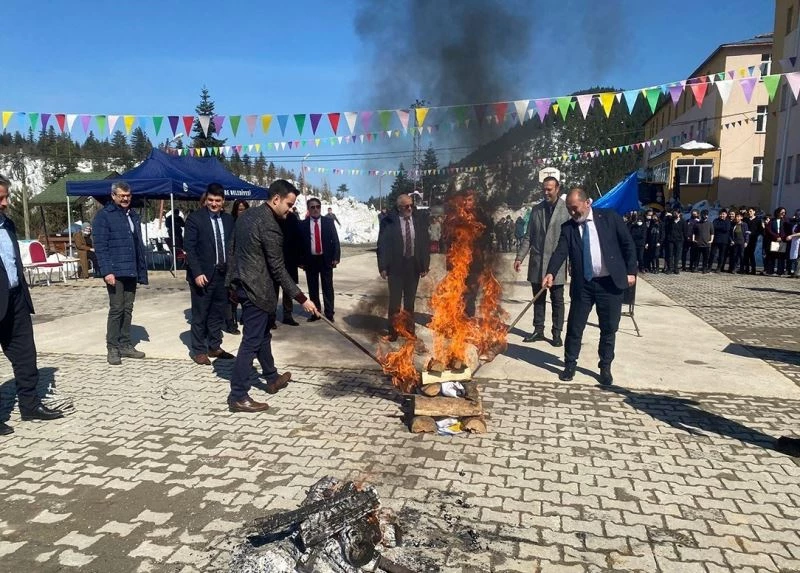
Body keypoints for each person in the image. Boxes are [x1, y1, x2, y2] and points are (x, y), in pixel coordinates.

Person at [225, 180, 317, 413]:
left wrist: (232, 283)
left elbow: (232, 249)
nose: (290, 209)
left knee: (262, 335)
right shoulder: (270, 226)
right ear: (276, 199)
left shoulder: (247, 216)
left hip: (245, 286)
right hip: (257, 291)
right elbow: (278, 268)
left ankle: (272, 377)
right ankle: (238, 395)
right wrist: (302, 298)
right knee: (251, 342)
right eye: (289, 203)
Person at [542, 187, 636, 386]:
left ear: (587, 203)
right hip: (583, 285)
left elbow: (628, 244)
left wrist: (631, 272)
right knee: (575, 326)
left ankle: (605, 367)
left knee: (609, 328)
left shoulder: (610, 218)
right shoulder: (568, 228)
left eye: (575, 208)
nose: (573, 213)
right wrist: (550, 272)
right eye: (569, 209)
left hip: (609, 284)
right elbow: (560, 252)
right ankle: (569, 364)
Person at [0, 175, 65, 436]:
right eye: (0, 198)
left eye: (5, 197)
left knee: (26, 355)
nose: (5, 203)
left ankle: (30, 405)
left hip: (15, 300)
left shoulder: (8, 225)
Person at [92, 181, 148, 365]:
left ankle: (125, 344)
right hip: (115, 271)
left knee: (128, 308)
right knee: (116, 309)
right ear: (113, 196)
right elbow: (100, 246)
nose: (125, 199)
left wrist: (140, 268)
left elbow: (136, 243)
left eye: (128, 195)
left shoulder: (132, 215)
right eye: (122, 195)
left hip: (130, 269)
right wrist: (107, 271)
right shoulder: (104, 216)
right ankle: (112, 347)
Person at [514, 176, 570, 346]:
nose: (546, 192)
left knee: (557, 300)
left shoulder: (566, 210)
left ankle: (557, 332)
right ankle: (538, 330)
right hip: (537, 263)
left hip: (557, 263)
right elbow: (528, 236)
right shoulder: (537, 210)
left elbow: (572, 238)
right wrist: (519, 257)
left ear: (557, 189)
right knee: (538, 299)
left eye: (549, 189)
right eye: (544, 189)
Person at [184, 183, 235, 365]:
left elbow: (232, 247)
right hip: (203, 276)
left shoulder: (229, 220)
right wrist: (197, 272)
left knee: (217, 314)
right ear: (206, 200)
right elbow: (189, 248)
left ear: (223, 202)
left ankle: (214, 346)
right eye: (211, 200)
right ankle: (198, 350)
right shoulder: (195, 219)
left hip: (222, 274)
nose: (214, 204)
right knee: (200, 314)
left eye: (218, 201)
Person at [377, 193, 430, 340]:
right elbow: (382, 245)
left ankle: (409, 329)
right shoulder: (389, 222)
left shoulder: (418, 220)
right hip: (395, 268)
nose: (410, 208)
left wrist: (425, 264)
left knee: (410, 301)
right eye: (407, 206)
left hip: (413, 266)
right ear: (399, 208)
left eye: (411, 205)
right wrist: (382, 266)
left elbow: (424, 243)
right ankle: (393, 331)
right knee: (394, 301)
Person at [301, 197, 341, 322]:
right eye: (312, 207)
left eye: (317, 206)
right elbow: (300, 244)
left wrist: (336, 257)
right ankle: (316, 313)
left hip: (326, 259)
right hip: (310, 260)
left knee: (328, 287)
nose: (315, 209)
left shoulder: (328, 222)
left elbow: (335, 240)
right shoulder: (303, 224)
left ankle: (329, 314)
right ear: (308, 209)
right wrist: (300, 261)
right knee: (313, 288)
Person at [224, 200, 250, 334]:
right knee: (232, 296)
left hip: (247, 266)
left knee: (246, 294)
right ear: (235, 211)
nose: (242, 212)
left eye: (245, 209)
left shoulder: (251, 224)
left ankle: (245, 318)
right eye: (240, 209)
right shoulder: (231, 224)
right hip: (233, 265)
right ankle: (230, 322)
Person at [278, 205, 304, 326]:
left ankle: (287, 315)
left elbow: (299, 239)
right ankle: (270, 317)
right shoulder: (274, 216)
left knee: (288, 289)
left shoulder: (292, 218)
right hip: (274, 258)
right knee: (272, 290)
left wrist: (299, 259)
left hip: (290, 260)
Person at [764, 207, 788, 276]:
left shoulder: (786, 221)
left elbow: (787, 230)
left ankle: (780, 272)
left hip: (782, 240)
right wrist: (776, 237)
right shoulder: (772, 221)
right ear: (778, 212)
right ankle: (770, 271)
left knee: (781, 256)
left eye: (784, 212)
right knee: (772, 256)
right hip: (774, 240)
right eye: (782, 212)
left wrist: (782, 238)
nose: (783, 214)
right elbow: (769, 230)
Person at [663, 208, 685, 274]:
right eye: (674, 213)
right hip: (670, 240)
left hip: (679, 240)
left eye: (676, 213)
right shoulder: (670, 220)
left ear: (679, 214)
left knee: (677, 255)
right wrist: (666, 216)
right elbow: (664, 225)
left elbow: (684, 231)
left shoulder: (682, 221)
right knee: (670, 254)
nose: (674, 214)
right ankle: (669, 268)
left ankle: (676, 268)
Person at [743, 207, 762, 274]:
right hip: (746, 239)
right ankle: (747, 269)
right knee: (746, 254)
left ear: (754, 212)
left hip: (753, 239)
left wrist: (752, 233)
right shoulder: (746, 219)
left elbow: (760, 230)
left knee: (751, 253)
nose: (749, 212)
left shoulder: (758, 220)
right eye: (748, 211)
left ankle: (753, 269)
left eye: (751, 211)